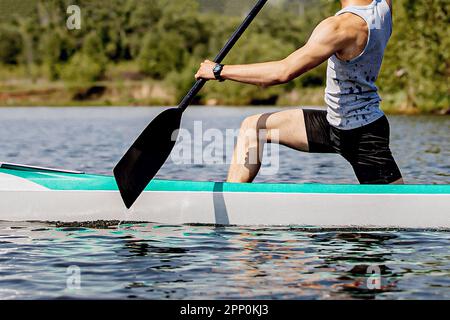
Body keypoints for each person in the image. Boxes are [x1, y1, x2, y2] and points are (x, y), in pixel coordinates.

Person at [195, 0, 403, 185]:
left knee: (396, 211)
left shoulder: (339, 28)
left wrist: (219, 70)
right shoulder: (383, 8)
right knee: (253, 128)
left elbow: (281, 72)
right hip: (334, 124)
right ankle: (235, 201)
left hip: (363, 136)